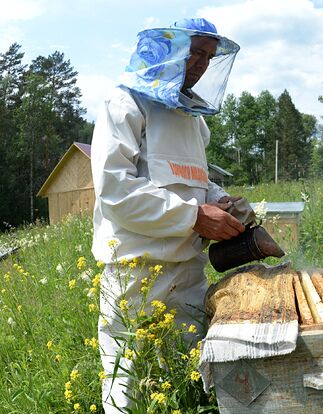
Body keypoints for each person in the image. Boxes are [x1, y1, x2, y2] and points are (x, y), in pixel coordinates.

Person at [90, 18, 246, 413]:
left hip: (188, 270)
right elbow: (115, 191)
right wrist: (195, 216)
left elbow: (197, 181)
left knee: (186, 376)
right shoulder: (125, 103)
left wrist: (221, 200)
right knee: (127, 381)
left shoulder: (192, 118)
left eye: (209, 57)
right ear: (168, 48)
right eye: (195, 51)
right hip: (136, 273)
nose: (201, 64)